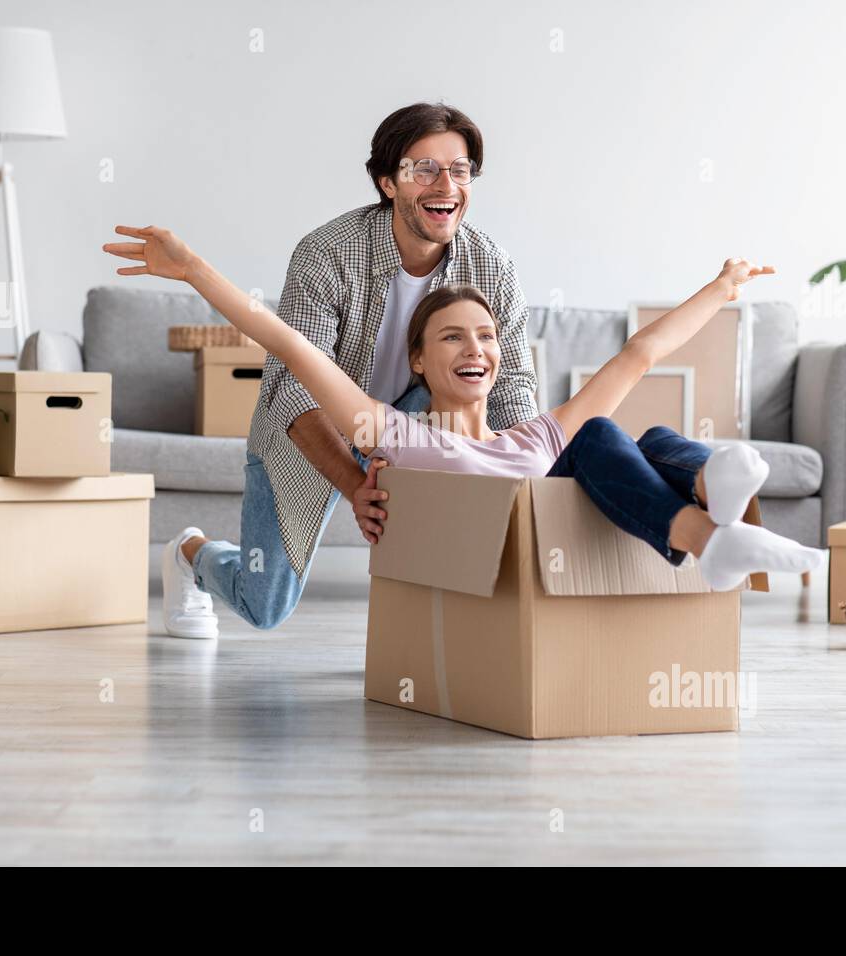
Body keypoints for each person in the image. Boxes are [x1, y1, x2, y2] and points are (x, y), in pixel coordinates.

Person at [102, 228, 827, 613]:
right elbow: (289, 344)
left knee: (609, 435)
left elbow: (640, 352)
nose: (475, 347)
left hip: (548, 518)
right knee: (603, 436)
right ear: (418, 362)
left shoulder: (532, 437)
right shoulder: (398, 437)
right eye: (452, 337)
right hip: (478, 567)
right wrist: (194, 269)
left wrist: (722, 287)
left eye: (485, 336)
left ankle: (710, 506)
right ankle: (194, 551)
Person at [122, 103, 539, 637]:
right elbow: (294, 389)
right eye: (424, 169)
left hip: (413, 420)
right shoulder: (328, 253)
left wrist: (527, 475)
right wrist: (354, 482)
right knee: (264, 606)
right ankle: (192, 552)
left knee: (461, 440)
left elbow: (513, 388)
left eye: (459, 170)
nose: (446, 185)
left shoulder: (492, 266)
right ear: (388, 182)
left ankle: (420, 636)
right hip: (309, 427)